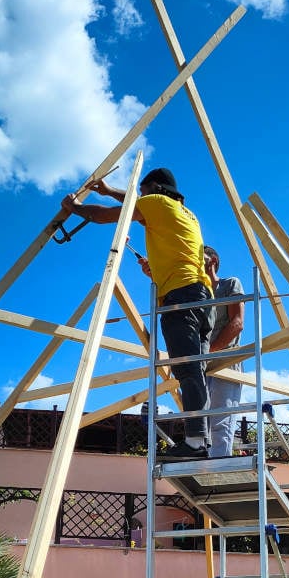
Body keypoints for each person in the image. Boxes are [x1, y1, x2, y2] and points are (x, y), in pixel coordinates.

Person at [61, 167, 214, 459]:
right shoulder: (185, 213)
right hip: (202, 298)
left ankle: (195, 444)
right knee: (197, 372)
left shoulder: (154, 203)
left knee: (187, 369)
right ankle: (201, 440)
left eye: (142, 191)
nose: (140, 197)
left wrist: (75, 208)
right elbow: (135, 202)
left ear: (154, 188)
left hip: (180, 296)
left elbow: (108, 215)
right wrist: (108, 190)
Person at [203, 245, 244, 457]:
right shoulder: (197, 293)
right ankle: (205, 464)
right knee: (201, 422)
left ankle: (217, 470)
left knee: (221, 420)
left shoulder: (229, 284)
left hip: (226, 359)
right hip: (203, 363)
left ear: (212, 261)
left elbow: (237, 323)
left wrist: (210, 351)